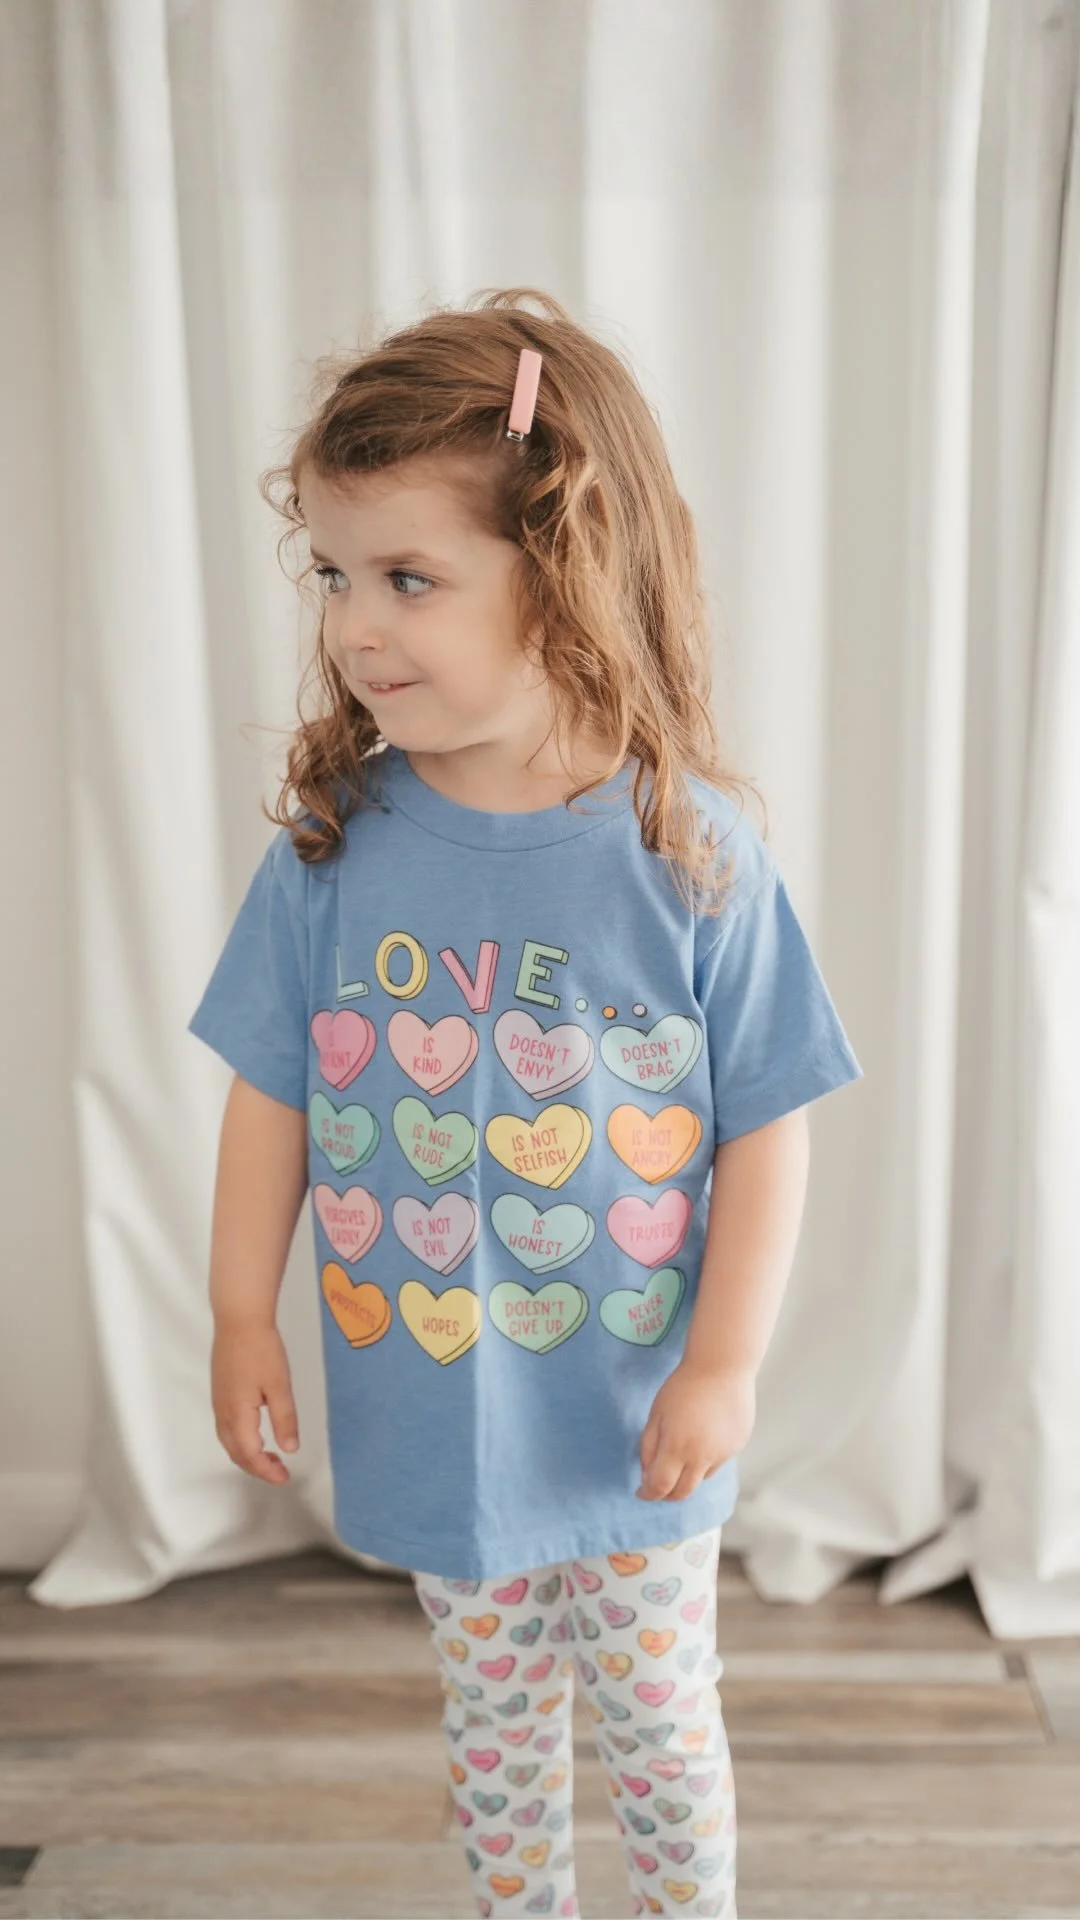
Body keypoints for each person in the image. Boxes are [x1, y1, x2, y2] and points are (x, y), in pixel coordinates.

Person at [187, 288, 863, 1920]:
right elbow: (273, 1091)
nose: (357, 627)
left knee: (656, 1727)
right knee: (491, 1731)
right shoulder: (334, 846)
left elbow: (770, 1117)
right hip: (432, 1399)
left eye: (408, 578)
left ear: (563, 571)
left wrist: (724, 1362)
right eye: (336, 575)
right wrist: (240, 1314)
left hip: (630, 1411)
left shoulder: (682, 848)